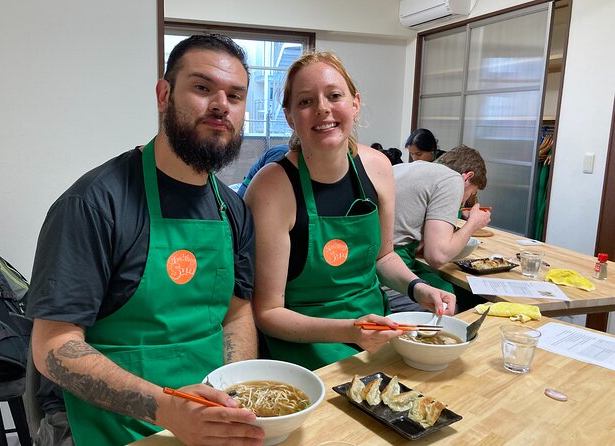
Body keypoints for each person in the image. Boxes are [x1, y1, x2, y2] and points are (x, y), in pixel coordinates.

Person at [26, 34, 264, 446]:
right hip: (110, 424)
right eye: (202, 87)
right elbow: (53, 346)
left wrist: (231, 395)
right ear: (164, 94)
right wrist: (168, 408)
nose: (221, 105)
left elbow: (238, 313)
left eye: (235, 95)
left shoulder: (234, 210)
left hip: (210, 419)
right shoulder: (94, 204)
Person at [244, 51, 455, 371]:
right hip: (303, 349)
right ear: (289, 117)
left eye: (334, 95)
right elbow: (268, 313)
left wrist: (418, 288)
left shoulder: (378, 167)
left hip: (375, 333)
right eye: (305, 102)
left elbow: (383, 257)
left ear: (354, 104)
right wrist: (349, 330)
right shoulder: (272, 189)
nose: (323, 108)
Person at [392, 145, 491, 309]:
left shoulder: (404, 168)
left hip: (365, 266)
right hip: (390, 276)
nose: (464, 201)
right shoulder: (451, 179)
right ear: (467, 177)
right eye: (470, 194)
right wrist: (473, 223)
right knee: (457, 301)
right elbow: (437, 257)